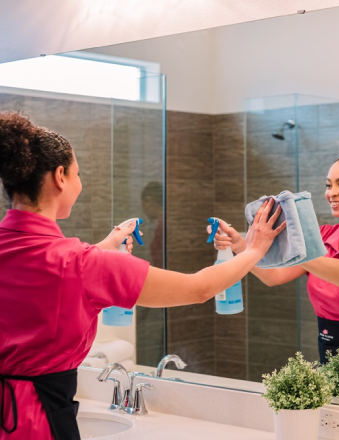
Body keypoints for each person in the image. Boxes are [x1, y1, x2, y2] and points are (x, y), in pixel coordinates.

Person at [0, 111, 285, 439]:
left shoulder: (64, 258)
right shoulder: (82, 264)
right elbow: (199, 288)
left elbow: (49, 270)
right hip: (37, 421)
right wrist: (255, 249)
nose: (80, 183)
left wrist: (108, 244)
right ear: (60, 176)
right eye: (79, 174)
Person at [211, 145, 339, 402]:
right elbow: (274, 277)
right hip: (329, 347)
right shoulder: (323, 237)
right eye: (328, 185)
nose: (332, 193)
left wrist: (300, 251)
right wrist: (240, 246)